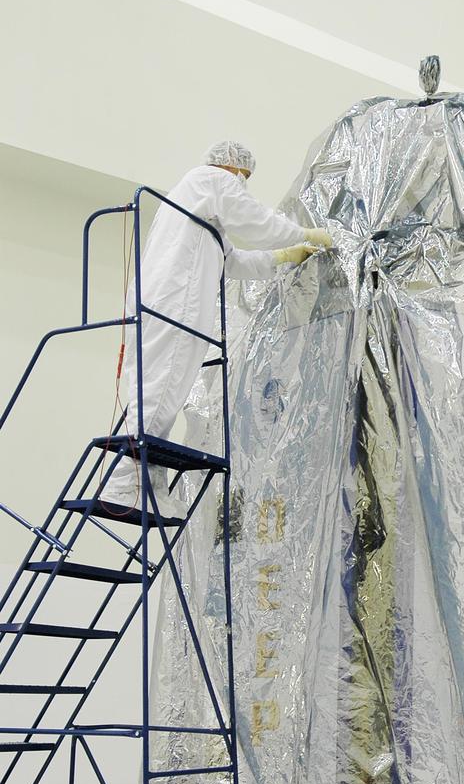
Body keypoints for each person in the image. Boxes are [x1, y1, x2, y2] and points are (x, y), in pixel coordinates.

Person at [101, 140, 331, 518]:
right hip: (174, 303)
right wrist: (302, 233)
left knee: (160, 391)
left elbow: (232, 261)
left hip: (163, 301)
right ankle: (123, 484)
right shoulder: (210, 180)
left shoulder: (197, 205)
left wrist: (282, 258)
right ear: (233, 169)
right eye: (244, 178)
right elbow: (255, 221)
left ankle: (148, 484)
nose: (244, 185)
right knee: (161, 389)